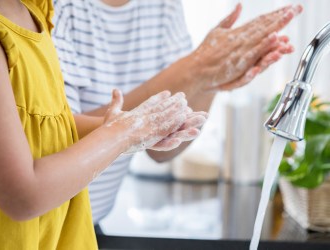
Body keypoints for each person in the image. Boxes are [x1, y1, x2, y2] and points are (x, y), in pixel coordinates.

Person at [52, 0, 302, 227]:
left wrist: (211, 78)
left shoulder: (164, 6)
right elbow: (55, 137)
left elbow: (164, 151)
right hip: (47, 225)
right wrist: (195, 67)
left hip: (91, 222)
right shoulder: (56, 7)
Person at [0, 0, 206, 249]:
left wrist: (129, 127)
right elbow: (22, 197)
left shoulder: (36, 10)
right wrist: (122, 134)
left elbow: (41, 124)